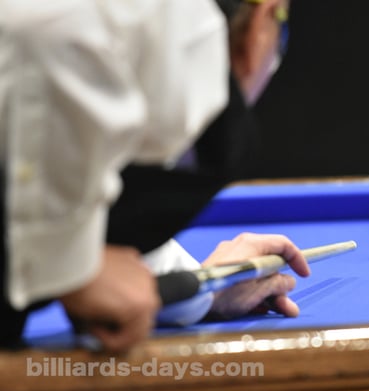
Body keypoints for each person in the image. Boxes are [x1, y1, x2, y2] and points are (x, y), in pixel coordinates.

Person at [0, 0, 308, 353]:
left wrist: (206, 287)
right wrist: (70, 265)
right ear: (264, 19)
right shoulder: (186, 36)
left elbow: (92, 183)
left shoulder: (139, 45)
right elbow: (43, 25)